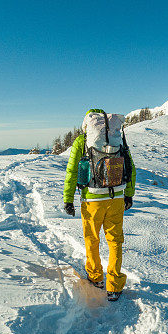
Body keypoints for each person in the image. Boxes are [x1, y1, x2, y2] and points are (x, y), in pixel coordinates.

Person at [63, 108, 136, 301]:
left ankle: (96, 277)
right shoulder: (117, 139)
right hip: (116, 198)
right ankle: (114, 285)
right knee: (115, 242)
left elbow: (71, 172)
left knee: (92, 239)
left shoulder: (82, 141)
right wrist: (128, 194)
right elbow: (130, 168)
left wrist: (68, 199)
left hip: (92, 199)